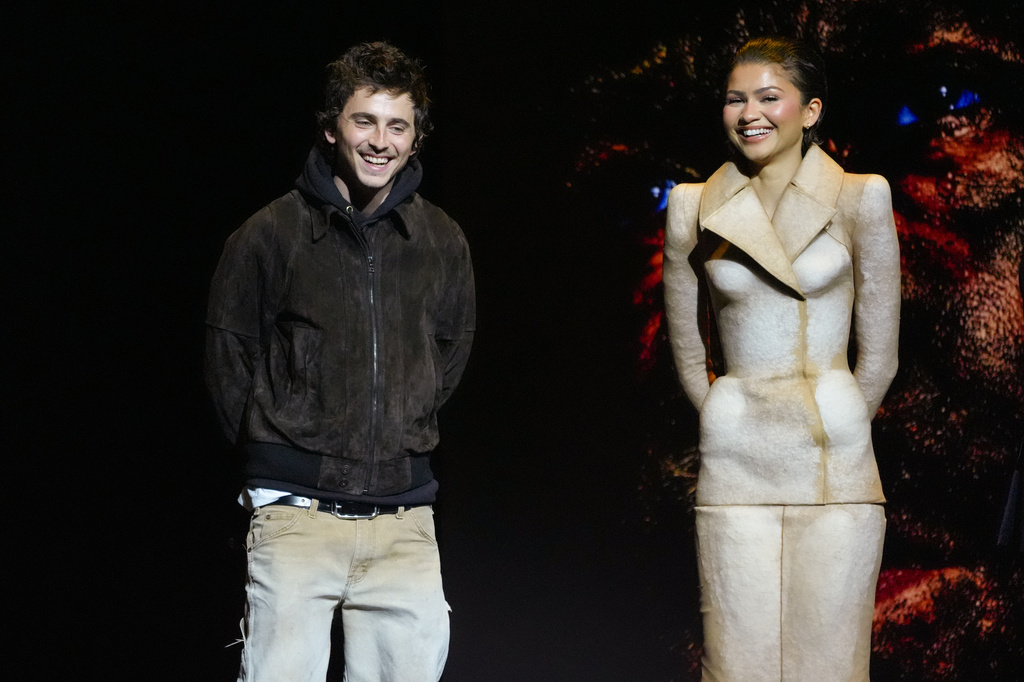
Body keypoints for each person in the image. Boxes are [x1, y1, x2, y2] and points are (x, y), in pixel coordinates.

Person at [205, 41, 475, 682]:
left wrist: (400, 431)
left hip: (404, 522)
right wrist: (281, 449)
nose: (380, 140)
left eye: (397, 125)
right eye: (365, 121)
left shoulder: (440, 240)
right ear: (332, 128)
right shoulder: (268, 235)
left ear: (415, 138)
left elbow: (450, 353)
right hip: (296, 519)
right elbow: (227, 359)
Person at [662, 36, 900, 681]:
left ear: (811, 109)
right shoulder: (693, 204)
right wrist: (724, 411)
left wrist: (842, 415)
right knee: (736, 665)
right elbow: (687, 343)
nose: (750, 113)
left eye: (770, 97)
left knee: (830, 664)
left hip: (834, 463)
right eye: (736, 99)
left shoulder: (859, 196)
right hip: (739, 460)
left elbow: (879, 354)